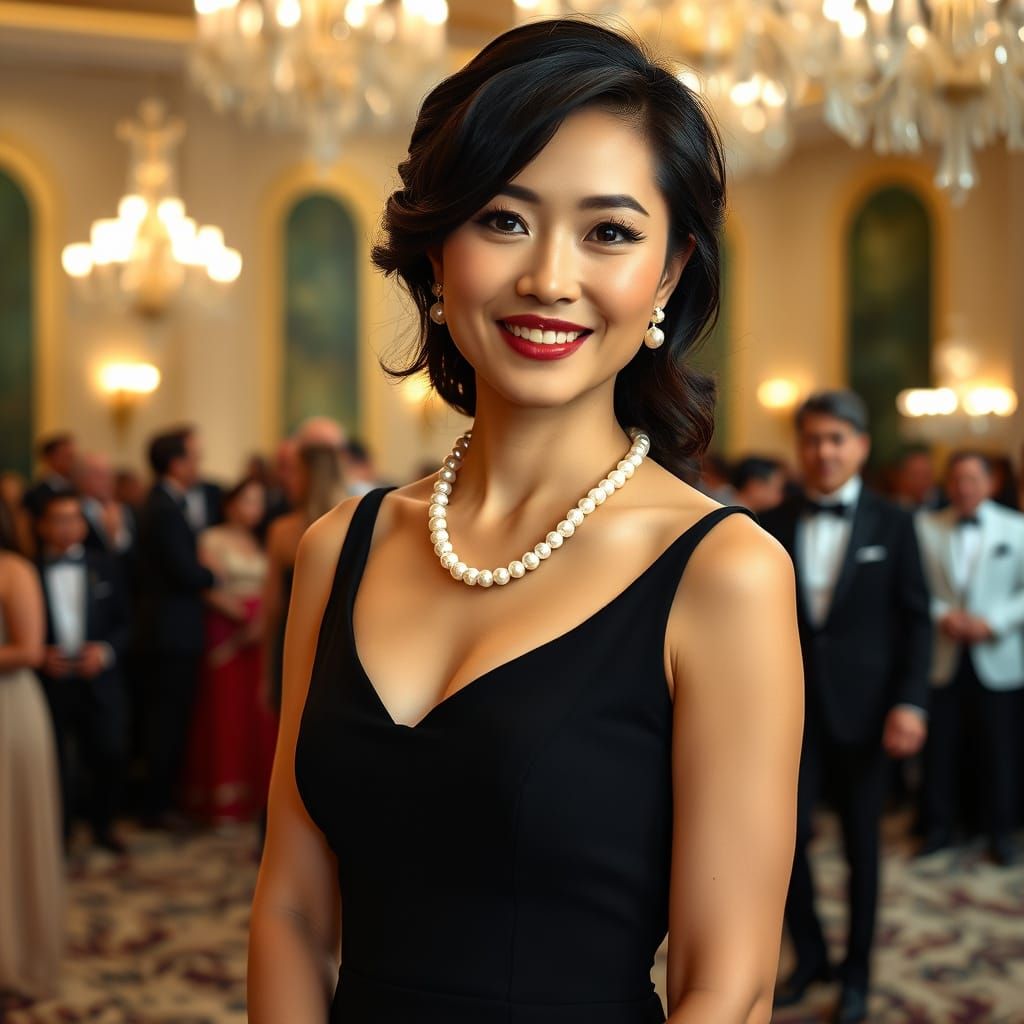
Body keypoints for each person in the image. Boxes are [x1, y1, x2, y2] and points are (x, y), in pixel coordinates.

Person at [249, 20, 803, 1024]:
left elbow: (729, 984)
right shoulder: (340, 545)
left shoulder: (723, 573)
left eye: (608, 232)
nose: (549, 277)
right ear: (437, 246)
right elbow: (289, 905)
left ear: (668, 273)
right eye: (504, 219)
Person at [760, 390, 931, 1024]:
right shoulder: (771, 522)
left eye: (836, 439)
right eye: (812, 439)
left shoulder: (896, 523)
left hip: (869, 717)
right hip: (791, 717)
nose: (823, 451)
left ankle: (856, 975)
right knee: (783, 842)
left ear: (859, 445)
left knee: (864, 849)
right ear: (800, 447)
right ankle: (810, 956)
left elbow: (918, 623)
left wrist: (910, 704)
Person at [914, 451, 1024, 865]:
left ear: (990, 483)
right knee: (940, 749)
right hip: (944, 656)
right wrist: (943, 615)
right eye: (956, 479)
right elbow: (915, 588)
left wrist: (992, 622)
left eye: (972, 479)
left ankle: (1000, 832)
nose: (963, 487)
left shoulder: (1017, 528)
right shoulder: (925, 527)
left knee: (1001, 750)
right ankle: (939, 828)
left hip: (999, 657)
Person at [35, 491, 130, 854]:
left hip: (99, 676)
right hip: (50, 678)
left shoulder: (105, 564)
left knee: (109, 750)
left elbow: (127, 622)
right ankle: (59, 831)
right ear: (43, 526)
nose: (67, 526)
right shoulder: (28, 569)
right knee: (55, 756)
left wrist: (104, 652)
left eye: (74, 518)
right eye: (58, 519)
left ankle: (103, 824)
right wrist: (39, 655)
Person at [135, 426, 217, 828]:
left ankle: (163, 802)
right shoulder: (164, 508)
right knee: (167, 720)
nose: (199, 464)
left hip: (172, 630)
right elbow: (185, 573)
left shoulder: (166, 502)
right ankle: (158, 806)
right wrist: (211, 574)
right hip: (170, 632)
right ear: (176, 463)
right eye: (194, 457)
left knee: (170, 718)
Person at [0, 499, 64, 998]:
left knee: (10, 833)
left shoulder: (13, 568)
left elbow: (29, 648)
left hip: (9, 711)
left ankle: (16, 958)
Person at [184, 478, 275, 824]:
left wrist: (262, 619)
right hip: (228, 628)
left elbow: (271, 588)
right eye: (248, 500)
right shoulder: (212, 538)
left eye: (259, 501)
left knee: (256, 711)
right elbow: (207, 587)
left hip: (259, 630)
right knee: (226, 709)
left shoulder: (260, 540)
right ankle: (220, 800)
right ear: (230, 504)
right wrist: (241, 616)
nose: (255, 508)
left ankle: (254, 796)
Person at [261, 444, 346, 713]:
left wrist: (266, 673)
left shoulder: (283, 531)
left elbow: (272, 606)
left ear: (313, 476)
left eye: (294, 471)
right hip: (340, 643)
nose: (286, 479)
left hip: (298, 643)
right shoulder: (355, 523)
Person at [22, 432, 77, 523]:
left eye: (72, 456)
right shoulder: (35, 493)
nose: (72, 461)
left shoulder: (75, 487)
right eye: (67, 456)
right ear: (50, 458)